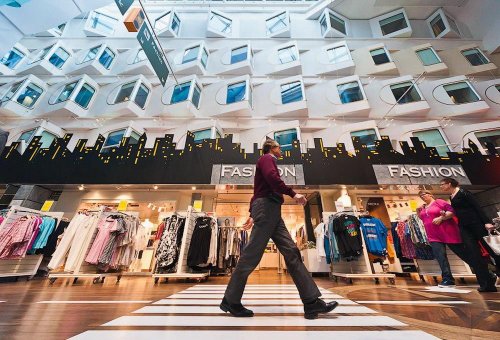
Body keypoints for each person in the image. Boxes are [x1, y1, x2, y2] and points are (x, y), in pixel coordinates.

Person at [220, 139, 338, 319]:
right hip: (267, 209)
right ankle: (231, 300)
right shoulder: (267, 159)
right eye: (279, 147)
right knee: (251, 255)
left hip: (271, 210)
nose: (281, 150)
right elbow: (272, 179)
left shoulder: (267, 162)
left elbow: (256, 193)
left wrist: (253, 214)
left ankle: (311, 302)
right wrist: (293, 193)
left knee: (292, 252)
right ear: (272, 148)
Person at [439, 178, 498, 292]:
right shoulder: (452, 196)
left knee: (492, 250)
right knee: (474, 255)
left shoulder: (463, 192)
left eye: (442, 185)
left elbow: (477, 207)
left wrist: (486, 222)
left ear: (449, 184)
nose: (441, 187)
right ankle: (486, 284)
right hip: (464, 227)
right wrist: (444, 214)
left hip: (477, 224)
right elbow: (458, 212)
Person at [417, 190, 467, 287]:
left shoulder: (439, 202)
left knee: (463, 254)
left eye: (424, 194)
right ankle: (448, 279)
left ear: (430, 194)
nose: (422, 196)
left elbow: (452, 211)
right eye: (420, 196)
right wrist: (417, 211)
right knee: (441, 257)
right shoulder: (423, 207)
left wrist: (441, 218)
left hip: (447, 233)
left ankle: (485, 273)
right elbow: (423, 219)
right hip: (433, 236)